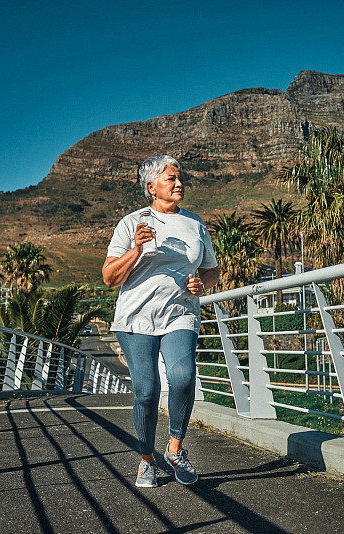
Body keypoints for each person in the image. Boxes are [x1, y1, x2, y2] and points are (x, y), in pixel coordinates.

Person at [102, 155, 220, 488]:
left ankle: (175, 449)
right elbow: (110, 277)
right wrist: (136, 249)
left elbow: (211, 270)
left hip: (180, 313)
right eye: (170, 179)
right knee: (147, 391)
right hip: (135, 318)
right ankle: (146, 460)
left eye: (180, 178)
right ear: (151, 186)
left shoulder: (195, 224)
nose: (178, 184)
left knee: (183, 377)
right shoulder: (131, 223)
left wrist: (202, 285)